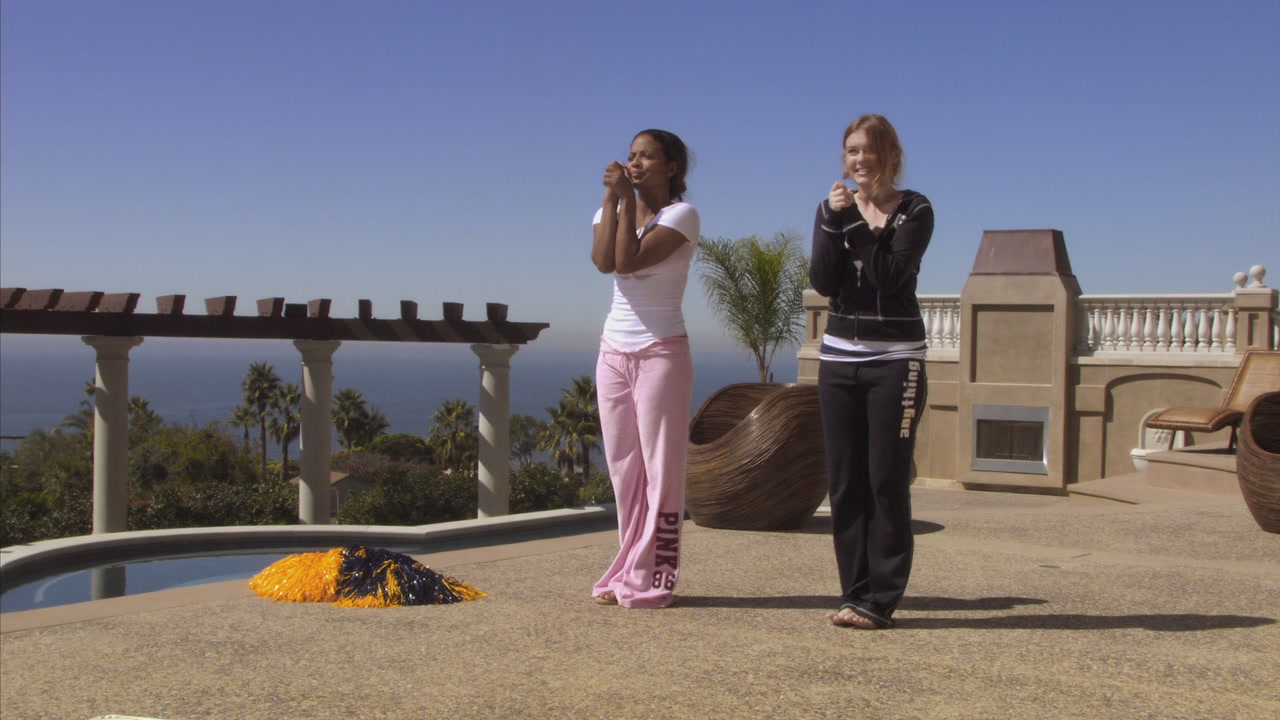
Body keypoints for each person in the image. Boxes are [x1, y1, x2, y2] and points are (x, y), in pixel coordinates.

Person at [808, 114, 934, 629]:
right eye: (852, 151)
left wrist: (854, 225)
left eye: (869, 150)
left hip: (895, 359)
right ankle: (853, 593)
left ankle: (881, 600)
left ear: (891, 156)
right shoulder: (831, 210)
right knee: (845, 482)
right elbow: (823, 280)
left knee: (885, 480)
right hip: (838, 358)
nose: (860, 160)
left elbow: (888, 277)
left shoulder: (915, 210)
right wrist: (830, 222)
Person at [590, 129, 699, 609]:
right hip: (612, 352)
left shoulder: (682, 215)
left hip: (661, 353)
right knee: (624, 470)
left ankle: (655, 578)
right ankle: (627, 569)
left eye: (647, 156)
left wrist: (625, 198)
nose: (634, 162)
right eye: (631, 155)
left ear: (670, 167)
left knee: (661, 469)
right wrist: (613, 202)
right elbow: (603, 263)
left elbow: (628, 262)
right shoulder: (612, 209)